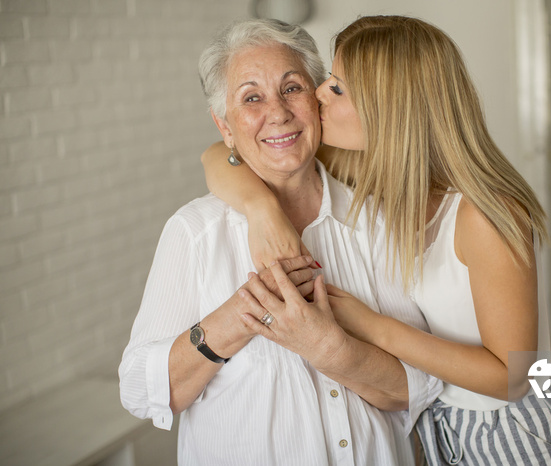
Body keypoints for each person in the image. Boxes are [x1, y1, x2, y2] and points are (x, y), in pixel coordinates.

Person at [201, 15, 551, 465]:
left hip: (513, 435)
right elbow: (221, 154)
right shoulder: (382, 180)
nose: (316, 94)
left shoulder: (481, 214)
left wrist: (369, 325)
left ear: (390, 106)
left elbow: (512, 377)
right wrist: (262, 210)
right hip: (443, 429)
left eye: (337, 88)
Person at [119, 18, 441, 466]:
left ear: (317, 98)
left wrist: (328, 349)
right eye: (251, 97)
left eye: (291, 88)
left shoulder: (380, 221)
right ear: (224, 126)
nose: (278, 112)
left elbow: (422, 385)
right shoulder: (194, 232)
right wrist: (236, 319)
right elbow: (139, 389)